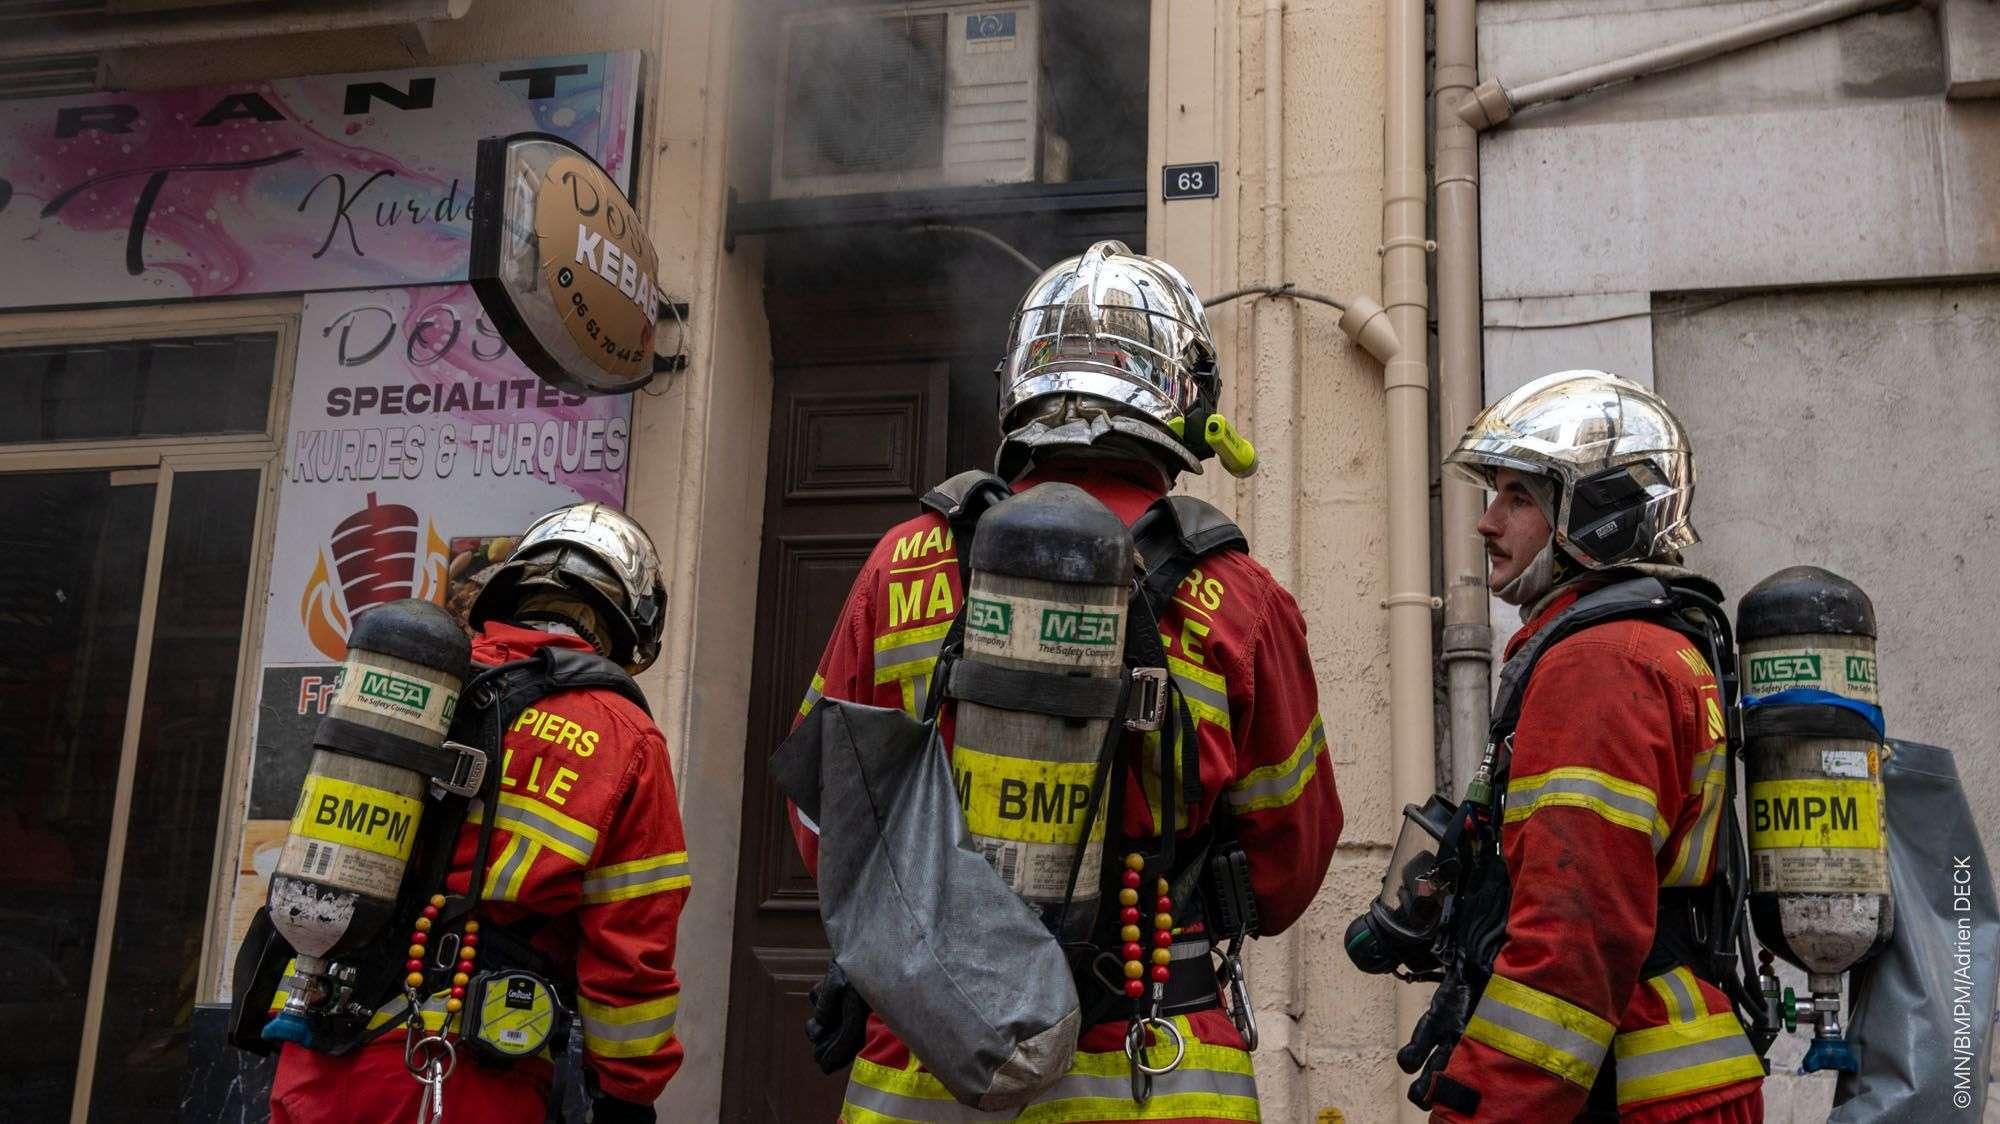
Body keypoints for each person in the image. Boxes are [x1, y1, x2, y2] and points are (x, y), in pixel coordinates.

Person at [790, 241, 1342, 1122]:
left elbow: (824, 818)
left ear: (1020, 384)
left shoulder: (902, 564)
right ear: (1187, 397)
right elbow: (1292, 856)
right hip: (1158, 1056)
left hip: (929, 1061)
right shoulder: (1241, 598)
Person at [270, 502, 689, 1124]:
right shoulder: (625, 736)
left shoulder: (422, 681)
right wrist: (628, 1095)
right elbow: (631, 950)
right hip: (456, 1073)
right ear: (627, 623)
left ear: (512, 588)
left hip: (317, 1050)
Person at [1431, 371, 1764, 1122]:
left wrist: (1477, 1109)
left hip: (1632, 1087)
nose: (1488, 523)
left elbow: (1574, 937)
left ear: (1598, 515)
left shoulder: (1599, 665)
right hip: (1675, 1077)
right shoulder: (1657, 645)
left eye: (1518, 498)